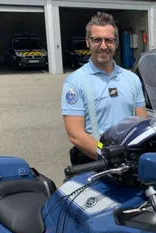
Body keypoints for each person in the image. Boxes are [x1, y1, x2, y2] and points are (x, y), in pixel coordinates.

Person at [61, 12, 148, 165]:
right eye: (97, 40)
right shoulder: (75, 82)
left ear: (116, 43)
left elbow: (142, 122)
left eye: (109, 40)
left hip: (129, 164)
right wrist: (108, 156)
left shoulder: (132, 80)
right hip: (96, 163)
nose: (103, 46)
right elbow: (75, 134)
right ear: (88, 42)